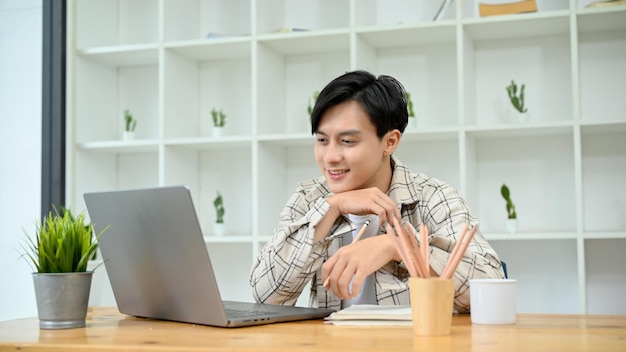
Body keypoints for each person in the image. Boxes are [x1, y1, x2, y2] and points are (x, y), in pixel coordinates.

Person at [249, 70, 505, 312]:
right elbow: (266, 296)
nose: (330, 157)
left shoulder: (434, 197)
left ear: (390, 142)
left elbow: (492, 286)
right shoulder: (309, 198)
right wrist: (331, 207)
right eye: (322, 140)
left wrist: (397, 246)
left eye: (348, 141)